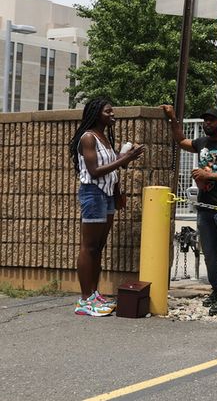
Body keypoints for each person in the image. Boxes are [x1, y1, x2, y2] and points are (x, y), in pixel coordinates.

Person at [162, 105, 217, 316]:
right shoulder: (201, 143)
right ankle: (216, 290)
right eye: (205, 120)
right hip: (205, 207)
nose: (207, 123)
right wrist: (173, 118)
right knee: (209, 254)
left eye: (212, 120)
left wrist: (209, 176)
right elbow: (181, 141)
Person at [69, 98, 145, 317]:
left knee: (99, 246)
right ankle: (84, 300)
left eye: (113, 111)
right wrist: (124, 159)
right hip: (92, 194)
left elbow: (111, 171)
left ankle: (94, 294)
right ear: (96, 114)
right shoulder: (88, 138)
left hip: (107, 194)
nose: (113, 115)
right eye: (108, 112)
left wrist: (118, 191)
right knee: (89, 246)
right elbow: (94, 171)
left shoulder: (105, 138)